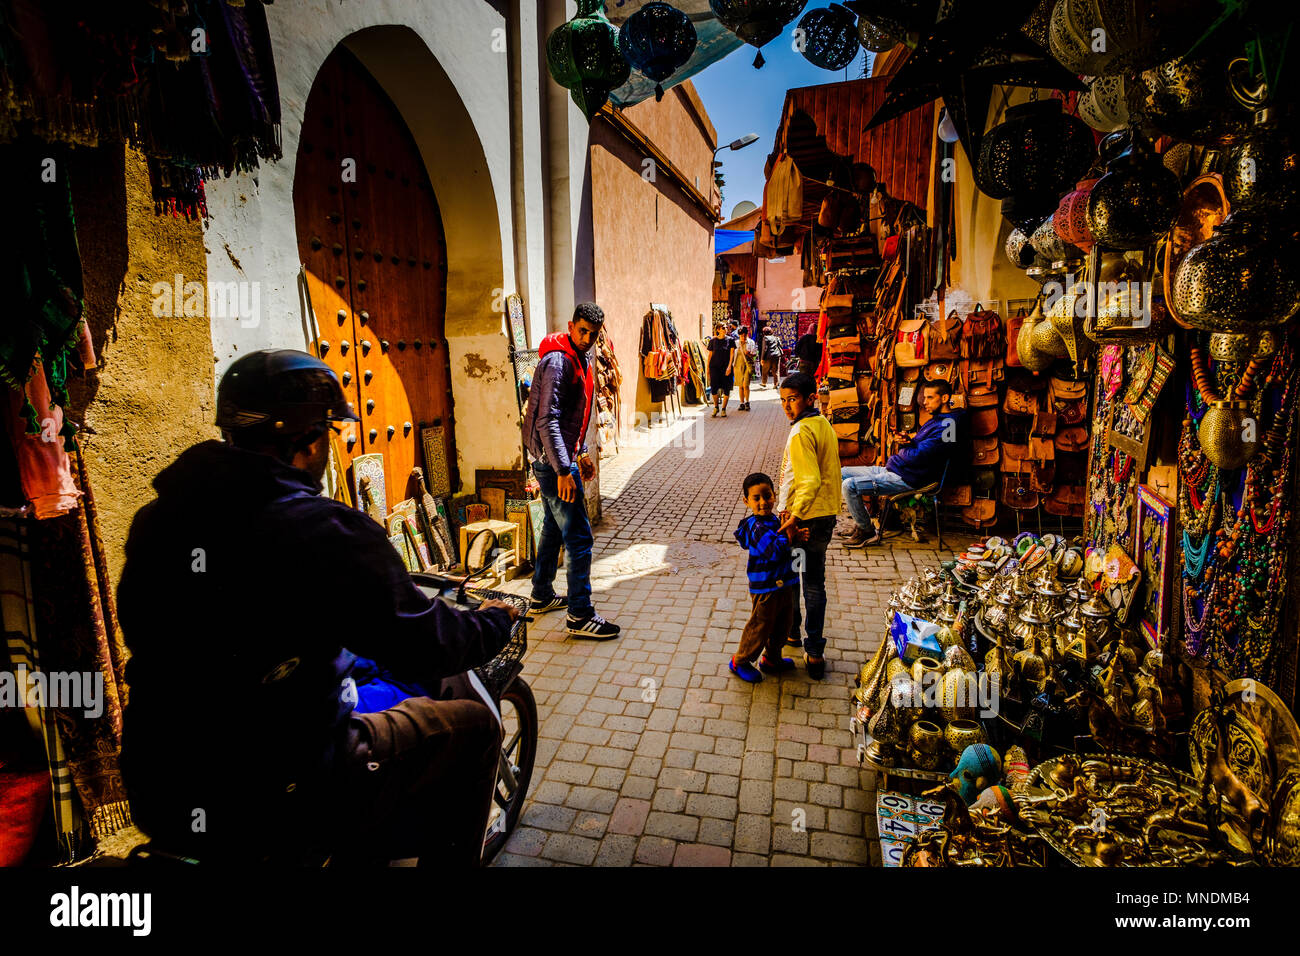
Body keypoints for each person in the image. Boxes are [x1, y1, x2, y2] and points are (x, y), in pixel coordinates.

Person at [118, 349, 520, 867]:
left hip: (161, 779)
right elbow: (426, 643)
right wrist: (492, 621)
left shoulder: (159, 518)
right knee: (473, 729)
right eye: (329, 432)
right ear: (309, 440)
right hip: (281, 784)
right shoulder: (324, 529)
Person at [521, 302, 620, 638]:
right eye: (582, 331)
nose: (587, 338)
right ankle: (580, 615)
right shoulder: (558, 361)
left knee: (552, 526)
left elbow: (569, 420)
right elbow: (548, 420)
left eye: (592, 334)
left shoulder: (578, 358)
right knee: (579, 537)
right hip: (553, 464)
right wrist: (565, 469)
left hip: (557, 459)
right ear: (570, 325)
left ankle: (541, 594)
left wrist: (581, 454)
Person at [840, 379, 965, 547]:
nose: (924, 402)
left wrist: (902, 450)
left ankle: (867, 531)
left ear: (944, 398)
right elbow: (923, 448)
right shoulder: (936, 420)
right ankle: (861, 521)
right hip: (897, 469)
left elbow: (924, 455)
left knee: (849, 485)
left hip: (910, 478)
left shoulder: (949, 424)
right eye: (925, 397)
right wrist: (908, 441)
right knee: (843, 472)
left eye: (929, 397)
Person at [775, 371, 842, 680]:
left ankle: (795, 635)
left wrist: (793, 517)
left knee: (795, 580)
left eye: (793, 399)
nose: (788, 406)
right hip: (825, 514)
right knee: (814, 581)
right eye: (783, 400)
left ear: (810, 398)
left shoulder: (802, 432)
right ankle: (813, 651)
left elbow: (810, 480)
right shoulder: (823, 424)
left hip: (803, 520)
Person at [729, 472, 806, 683]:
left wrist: (796, 535)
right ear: (747, 501)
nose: (763, 502)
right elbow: (773, 550)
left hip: (784, 584)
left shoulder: (774, 519)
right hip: (765, 589)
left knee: (784, 623)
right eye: (756, 498)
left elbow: (785, 543)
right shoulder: (755, 527)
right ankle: (740, 661)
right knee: (760, 627)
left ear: (774, 495)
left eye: (767, 496)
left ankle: (772, 659)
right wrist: (788, 535)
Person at [706, 322, 735, 418]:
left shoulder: (730, 340)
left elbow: (732, 354)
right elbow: (710, 355)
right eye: (723, 327)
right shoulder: (713, 341)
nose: (725, 328)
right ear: (718, 329)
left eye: (726, 327)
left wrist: (729, 366)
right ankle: (716, 407)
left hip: (726, 368)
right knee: (714, 388)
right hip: (714, 367)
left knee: (726, 388)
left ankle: (723, 409)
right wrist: (708, 369)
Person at [732, 325, 757, 411]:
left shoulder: (751, 342)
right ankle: (741, 403)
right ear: (739, 335)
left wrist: (749, 353)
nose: (743, 337)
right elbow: (732, 355)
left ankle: (747, 402)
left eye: (744, 335)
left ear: (747, 334)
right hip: (738, 365)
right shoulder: (735, 343)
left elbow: (755, 354)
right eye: (741, 335)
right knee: (740, 386)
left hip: (747, 365)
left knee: (745, 385)